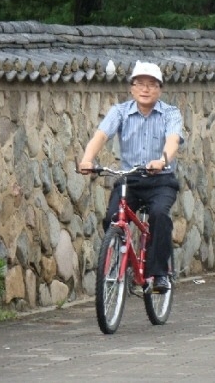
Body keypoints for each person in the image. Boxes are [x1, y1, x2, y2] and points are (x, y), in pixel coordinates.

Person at [78, 61, 183, 294]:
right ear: (132, 88)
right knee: (113, 217)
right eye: (140, 84)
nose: (145, 89)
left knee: (158, 216)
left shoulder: (170, 113)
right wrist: (87, 159)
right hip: (131, 179)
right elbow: (100, 136)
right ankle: (120, 255)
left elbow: (173, 140)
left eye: (152, 85)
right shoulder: (120, 112)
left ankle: (159, 274)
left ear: (160, 89)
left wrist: (162, 161)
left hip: (161, 180)